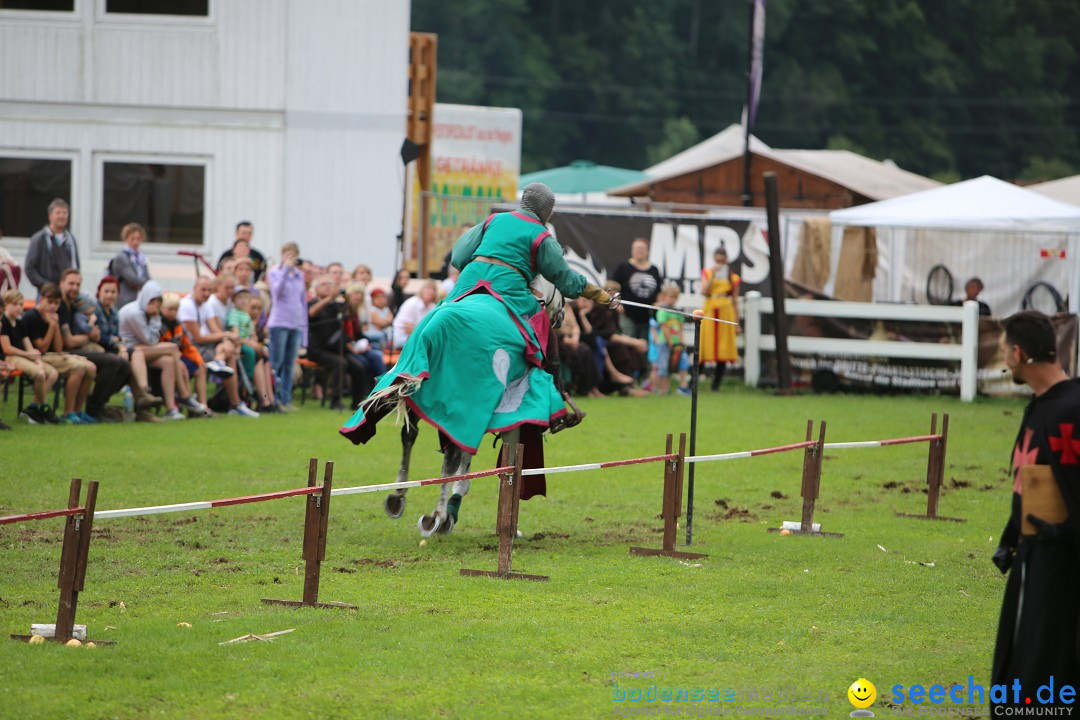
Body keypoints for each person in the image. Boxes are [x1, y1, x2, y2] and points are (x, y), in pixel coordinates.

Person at [341, 182, 613, 470]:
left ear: (523, 201)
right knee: (543, 330)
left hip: (467, 286)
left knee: (437, 318)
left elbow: (459, 257)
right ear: (548, 212)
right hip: (509, 291)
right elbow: (566, 281)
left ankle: (399, 378)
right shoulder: (542, 236)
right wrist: (600, 295)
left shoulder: (493, 220)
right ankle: (557, 405)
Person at [991, 311, 1080, 706]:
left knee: (1045, 670)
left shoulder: (1070, 411)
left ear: (1018, 352)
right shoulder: (1042, 407)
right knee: (1021, 661)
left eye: (1003, 351)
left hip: (1061, 564)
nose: (1003, 359)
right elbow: (1035, 477)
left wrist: (1060, 535)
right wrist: (1011, 537)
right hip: (1031, 554)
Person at [58, 268, 133, 422]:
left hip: (84, 348)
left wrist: (120, 346)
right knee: (113, 361)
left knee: (125, 364)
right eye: (71, 283)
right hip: (68, 351)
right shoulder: (61, 307)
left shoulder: (77, 304)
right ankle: (93, 408)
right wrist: (89, 336)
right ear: (61, 284)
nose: (74, 288)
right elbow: (69, 342)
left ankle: (99, 404)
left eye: (77, 284)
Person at [178, 276, 258, 417]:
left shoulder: (206, 304)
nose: (206, 293)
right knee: (221, 355)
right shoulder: (187, 305)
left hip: (202, 346)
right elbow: (198, 337)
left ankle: (235, 404)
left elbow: (216, 331)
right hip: (188, 348)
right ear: (194, 289)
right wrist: (227, 335)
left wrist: (226, 339)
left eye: (209, 290)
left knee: (230, 352)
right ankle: (210, 407)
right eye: (203, 289)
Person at [19, 283, 96, 424]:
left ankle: (78, 411)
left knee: (91, 368)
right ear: (41, 298)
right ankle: (66, 412)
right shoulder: (32, 317)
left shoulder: (54, 317)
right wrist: (52, 327)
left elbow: (59, 348)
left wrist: (55, 326)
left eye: (56, 303)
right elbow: (42, 347)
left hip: (53, 355)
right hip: (37, 356)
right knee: (78, 368)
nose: (53, 306)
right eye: (50, 302)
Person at [118, 280, 190, 421]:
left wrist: (154, 316)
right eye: (152, 300)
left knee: (168, 361)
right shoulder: (135, 313)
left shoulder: (147, 312)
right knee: (173, 348)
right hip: (128, 349)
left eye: (157, 301)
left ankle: (171, 408)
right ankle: (184, 394)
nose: (155, 304)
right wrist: (156, 317)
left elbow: (153, 340)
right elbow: (150, 340)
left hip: (141, 349)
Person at [306, 275, 370, 411]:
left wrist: (349, 294)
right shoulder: (312, 303)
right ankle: (335, 401)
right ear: (316, 288)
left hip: (334, 349)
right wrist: (330, 298)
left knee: (358, 366)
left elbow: (351, 310)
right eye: (324, 284)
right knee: (340, 363)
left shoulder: (336, 306)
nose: (328, 287)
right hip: (317, 350)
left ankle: (358, 402)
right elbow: (311, 313)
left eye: (330, 284)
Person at [1, 288, 60, 424]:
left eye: (21, 305)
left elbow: (28, 344)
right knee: (39, 374)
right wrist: (29, 354)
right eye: (15, 304)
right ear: (6, 304)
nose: (19, 308)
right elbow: (7, 349)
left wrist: (36, 358)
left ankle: (33, 407)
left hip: (23, 356)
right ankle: (44, 406)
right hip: (11, 357)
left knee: (52, 373)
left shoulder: (20, 322)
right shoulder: (4, 322)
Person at [266, 242, 308, 411]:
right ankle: (272, 398)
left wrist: (304, 331)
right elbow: (277, 292)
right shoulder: (274, 272)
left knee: (290, 364)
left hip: (296, 323)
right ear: (282, 255)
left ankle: (286, 399)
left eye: (294, 255)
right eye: (288, 255)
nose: (291, 258)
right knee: (276, 363)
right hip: (279, 323)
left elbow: (302, 303)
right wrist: (285, 270)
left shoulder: (299, 276)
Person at [160, 293, 211, 414]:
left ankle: (203, 406)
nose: (173, 312)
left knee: (200, 368)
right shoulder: (159, 325)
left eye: (176, 310)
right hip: (168, 358)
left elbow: (188, 346)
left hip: (180, 356)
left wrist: (199, 361)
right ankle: (187, 401)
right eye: (170, 309)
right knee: (183, 369)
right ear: (162, 308)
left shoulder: (178, 325)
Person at [227, 287, 275, 412]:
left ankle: (269, 399)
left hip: (249, 347)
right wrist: (252, 342)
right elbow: (237, 336)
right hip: (243, 349)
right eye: (253, 308)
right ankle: (264, 400)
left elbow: (252, 334)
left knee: (265, 359)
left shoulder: (246, 316)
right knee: (258, 359)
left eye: (245, 298)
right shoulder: (235, 314)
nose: (243, 301)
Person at [700, 245, 740, 390]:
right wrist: (713, 275)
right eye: (717, 261)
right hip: (710, 308)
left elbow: (735, 300)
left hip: (725, 310)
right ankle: (694, 381)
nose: (720, 264)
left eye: (722, 261)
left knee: (724, 347)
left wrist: (737, 323)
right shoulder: (707, 273)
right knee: (704, 344)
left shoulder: (733, 278)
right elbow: (704, 291)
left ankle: (716, 384)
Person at [612, 237, 662, 341]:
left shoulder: (654, 269)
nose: (639, 251)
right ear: (632, 250)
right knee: (629, 345)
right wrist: (617, 305)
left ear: (647, 250)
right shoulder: (624, 267)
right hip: (627, 315)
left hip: (647, 318)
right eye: (637, 248)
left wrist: (658, 304)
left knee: (645, 348)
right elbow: (610, 286)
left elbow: (659, 292)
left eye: (642, 248)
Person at [25, 199, 80, 291]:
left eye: (65, 213)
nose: (62, 216)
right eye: (58, 213)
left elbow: (75, 265)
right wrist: (45, 285)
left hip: (68, 293)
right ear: (50, 216)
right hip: (47, 294)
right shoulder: (40, 239)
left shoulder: (70, 239)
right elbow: (29, 267)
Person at [650, 283, 691, 395]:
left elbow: (681, 328)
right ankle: (663, 389)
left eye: (675, 297)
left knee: (684, 363)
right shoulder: (662, 311)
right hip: (665, 343)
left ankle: (683, 387)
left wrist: (682, 341)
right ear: (664, 297)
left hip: (677, 343)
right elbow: (663, 327)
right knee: (664, 366)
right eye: (671, 297)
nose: (673, 300)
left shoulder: (678, 312)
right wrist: (670, 342)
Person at [109, 223, 151, 307]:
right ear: (126, 239)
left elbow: (147, 276)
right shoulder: (121, 257)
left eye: (138, 239)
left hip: (138, 298)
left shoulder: (141, 258)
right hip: (124, 299)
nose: (135, 242)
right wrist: (149, 285)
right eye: (132, 239)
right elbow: (132, 279)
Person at [390, 280, 438, 350]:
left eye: (433, 289)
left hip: (420, 338)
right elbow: (407, 329)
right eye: (428, 288)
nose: (430, 291)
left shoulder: (433, 307)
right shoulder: (412, 303)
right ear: (422, 290)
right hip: (402, 337)